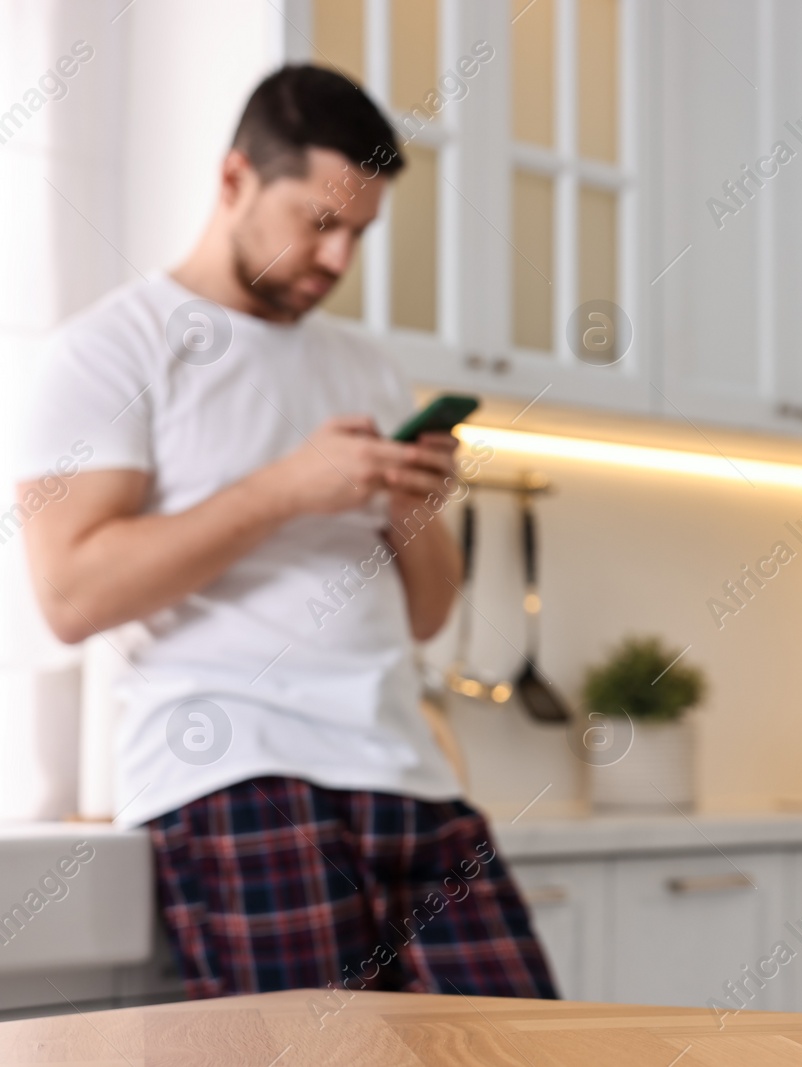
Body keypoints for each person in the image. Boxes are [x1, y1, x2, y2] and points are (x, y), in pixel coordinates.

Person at [15, 65, 557, 1002]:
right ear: (234, 181)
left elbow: (429, 614)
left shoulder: (372, 371)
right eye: (320, 221)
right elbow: (70, 594)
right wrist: (283, 489)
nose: (340, 258)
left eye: (360, 232)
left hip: (409, 773)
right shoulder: (105, 352)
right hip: (238, 773)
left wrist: (409, 505)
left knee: (526, 1045)